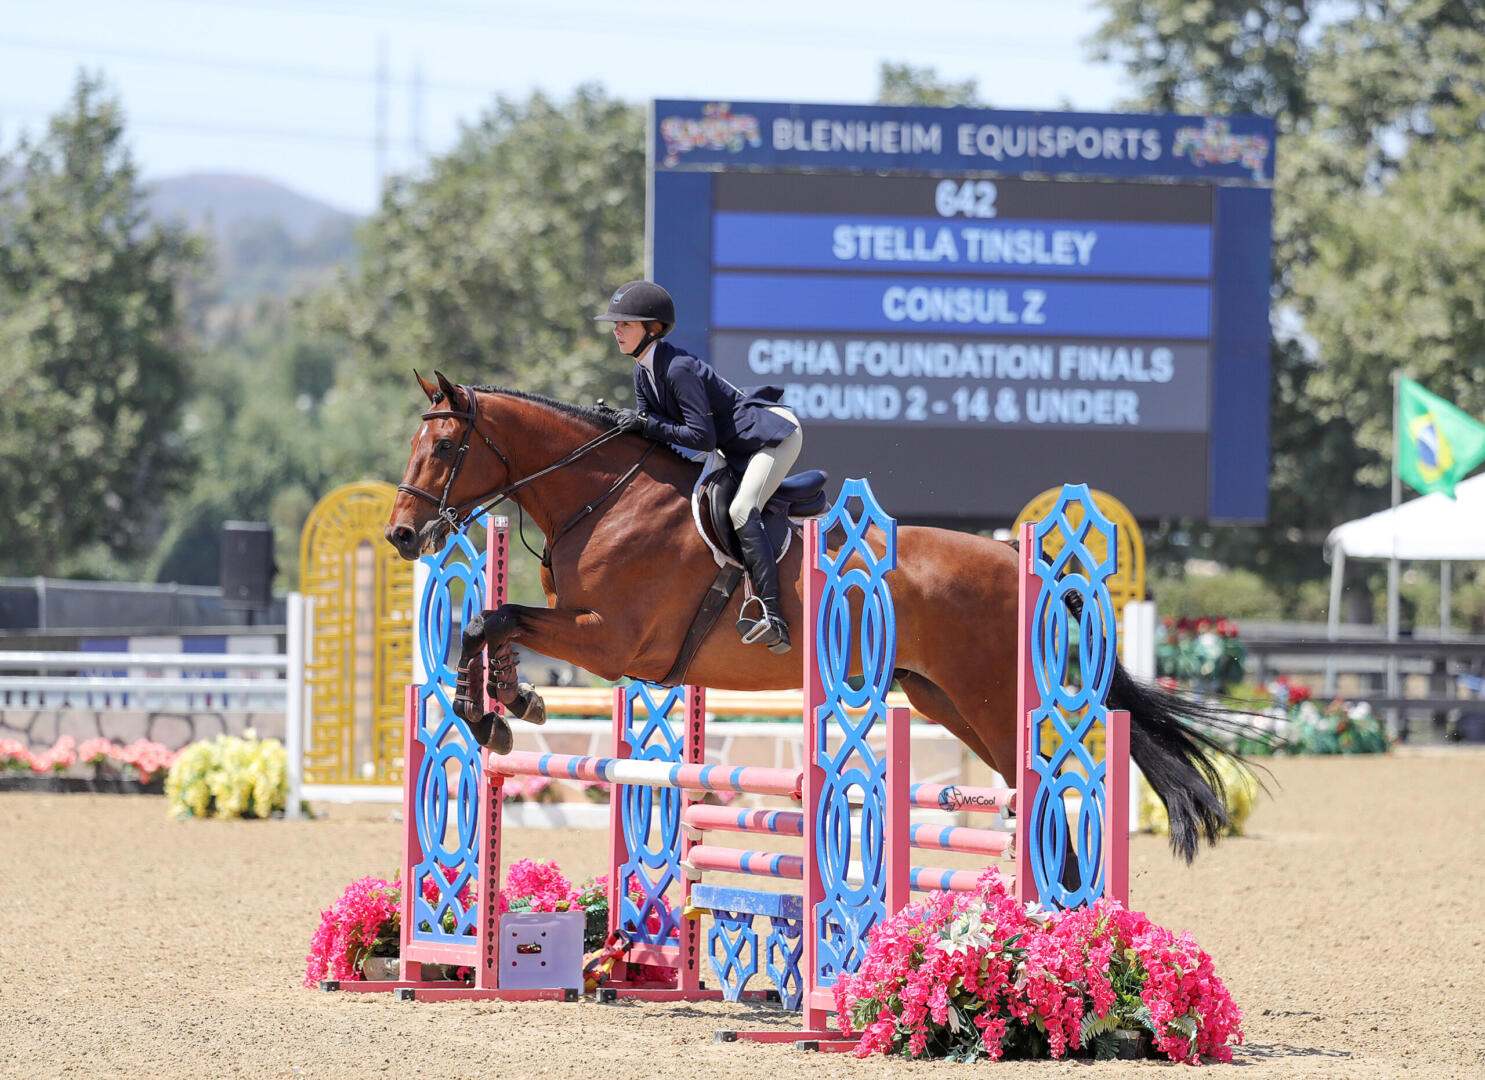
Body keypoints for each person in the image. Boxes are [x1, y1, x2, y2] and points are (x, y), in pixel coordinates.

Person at [595, 279, 802, 653]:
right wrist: (614, 426)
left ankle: (773, 615)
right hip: (731, 447)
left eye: (625, 323)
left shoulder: (677, 369)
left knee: (742, 510)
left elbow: (701, 437)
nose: (616, 330)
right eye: (616, 324)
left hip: (770, 437)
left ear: (652, 329)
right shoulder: (643, 371)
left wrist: (643, 423)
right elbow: (651, 431)